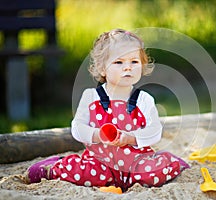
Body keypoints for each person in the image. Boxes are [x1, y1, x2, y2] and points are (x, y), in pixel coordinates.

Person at [25, 28, 189, 191]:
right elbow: (77, 128)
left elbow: (154, 131)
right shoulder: (91, 97)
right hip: (100, 162)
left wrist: (130, 138)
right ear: (102, 68)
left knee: (151, 174)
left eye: (134, 62)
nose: (127, 68)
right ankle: (53, 168)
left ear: (142, 65)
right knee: (86, 173)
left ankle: (170, 162)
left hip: (136, 163)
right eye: (119, 62)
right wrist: (97, 135)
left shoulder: (144, 99)